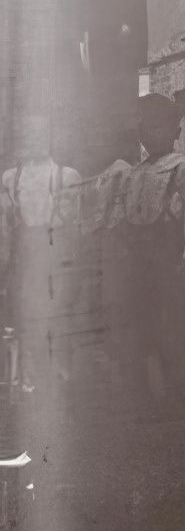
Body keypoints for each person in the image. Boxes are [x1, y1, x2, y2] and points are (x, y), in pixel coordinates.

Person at [119, 94, 185, 417]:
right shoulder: (136, 172)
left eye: (160, 126)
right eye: (146, 127)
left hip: (169, 258)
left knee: (175, 326)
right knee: (145, 324)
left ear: (174, 130)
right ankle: (148, 396)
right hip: (141, 261)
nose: (152, 134)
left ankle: (181, 394)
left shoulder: (182, 169)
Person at [0, 115, 82, 393]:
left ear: (50, 136)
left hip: (54, 259)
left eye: (40, 133)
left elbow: (74, 229)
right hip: (24, 262)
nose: (33, 139)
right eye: (27, 134)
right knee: (24, 322)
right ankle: (28, 385)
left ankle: (61, 385)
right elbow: (7, 229)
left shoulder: (67, 176)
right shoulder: (11, 178)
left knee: (57, 320)